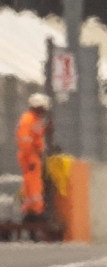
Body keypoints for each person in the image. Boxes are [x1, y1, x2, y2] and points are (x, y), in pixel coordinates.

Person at [15, 93, 49, 224]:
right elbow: (25, 141)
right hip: (30, 156)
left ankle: (29, 210)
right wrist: (30, 159)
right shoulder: (28, 120)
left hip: (32, 155)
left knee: (30, 183)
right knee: (34, 184)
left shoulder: (34, 119)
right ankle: (36, 211)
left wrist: (45, 129)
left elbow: (37, 136)